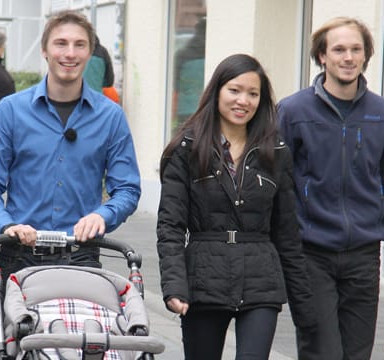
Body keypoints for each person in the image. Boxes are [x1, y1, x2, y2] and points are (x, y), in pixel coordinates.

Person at [157, 53, 316, 360]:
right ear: (217, 91)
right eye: (235, 90)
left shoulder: (275, 151)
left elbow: (286, 233)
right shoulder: (187, 148)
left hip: (260, 282)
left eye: (253, 94)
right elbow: (170, 227)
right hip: (203, 280)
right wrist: (174, 286)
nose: (243, 100)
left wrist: (303, 303)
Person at [0, 10, 141, 284]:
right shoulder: (12, 111)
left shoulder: (111, 117)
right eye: (61, 43)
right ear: (44, 50)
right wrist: (7, 224)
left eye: (79, 45)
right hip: (19, 256)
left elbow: (127, 189)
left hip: (81, 255)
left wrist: (103, 215)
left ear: (90, 53)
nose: (70, 53)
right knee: (21, 328)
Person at [278, 17, 384, 360]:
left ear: (366, 55)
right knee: (322, 353)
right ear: (322, 56)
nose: (348, 57)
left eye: (356, 49)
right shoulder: (293, 111)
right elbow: (279, 181)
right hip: (311, 254)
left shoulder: (380, 113)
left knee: (357, 354)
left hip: (364, 255)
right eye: (339, 49)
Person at [172, 17, 206, 132]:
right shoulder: (208, 54)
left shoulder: (182, 54)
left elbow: (175, 89)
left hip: (184, 110)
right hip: (203, 109)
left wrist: (173, 113)